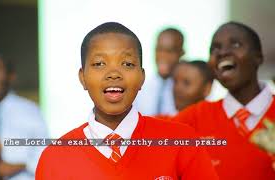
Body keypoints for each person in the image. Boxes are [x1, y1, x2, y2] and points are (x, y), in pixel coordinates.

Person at [36, 22, 218, 179]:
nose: (113, 74)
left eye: (127, 64)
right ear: (82, 77)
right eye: (99, 64)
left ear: (142, 77)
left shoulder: (182, 142)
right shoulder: (55, 157)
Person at [173, 22, 275, 179]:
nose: (222, 52)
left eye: (235, 44)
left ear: (258, 56)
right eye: (215, 48)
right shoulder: (191, 120)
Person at [134, 28, 184, 116]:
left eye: (170, 51)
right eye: (159, 50)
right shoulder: (139, 87)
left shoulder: (185, 91)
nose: (163, 56)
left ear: (181, 53)